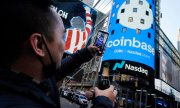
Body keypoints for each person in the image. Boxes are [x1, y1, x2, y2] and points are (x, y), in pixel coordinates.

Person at [0, 0, 117, 108]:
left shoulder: (33, 77)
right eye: (62, 37)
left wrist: (86, 53)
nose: (64, 45)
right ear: (39, 44)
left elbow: (58, 72)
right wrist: (104, 103)